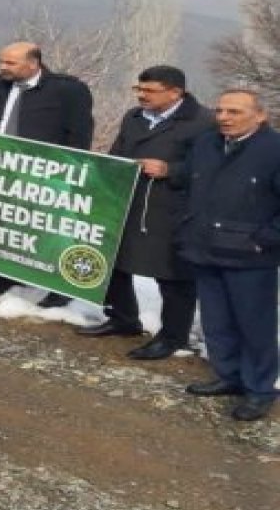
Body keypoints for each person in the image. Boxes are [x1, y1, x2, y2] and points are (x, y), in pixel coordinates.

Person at [77, 66, 214, 359]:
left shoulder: (203, 122)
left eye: (149, 91)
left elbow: (213, 171)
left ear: (175, 92)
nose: (141, 95)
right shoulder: (134, 116)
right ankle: (123, 318)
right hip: (127, 200)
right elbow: (118, 152)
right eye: (138, 89)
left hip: (171, 208)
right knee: (115, 263)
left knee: (172, 276)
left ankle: (173, 336)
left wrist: (171, 170)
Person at [177, 90, 279, 422]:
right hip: (205, 248)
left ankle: (259, 389)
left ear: (260, 115)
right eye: (220, 110)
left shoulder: (274, 150)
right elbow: (189, 181)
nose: (223, 117)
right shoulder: (207, 143)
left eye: (234, 111)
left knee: (254, 326)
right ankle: (228, 376)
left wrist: (263, 239)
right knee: (216, 322)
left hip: (251, 256)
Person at [0, 41, 93, 307]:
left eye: (10, 63)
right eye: (1, 62)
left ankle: (59, 286)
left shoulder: (67, 90)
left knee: (46, 229)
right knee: (6, 225)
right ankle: (8, 275)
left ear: (33, 63)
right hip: (0, 168)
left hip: (47, 172)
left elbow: (80, 133)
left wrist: (69, 170)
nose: (3, 67)